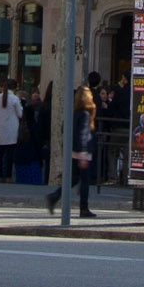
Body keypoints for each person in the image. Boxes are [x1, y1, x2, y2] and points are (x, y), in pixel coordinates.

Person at [47, 85, 98, 218]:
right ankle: (84, 207)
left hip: (73, 150)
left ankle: (55, 196)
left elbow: (65, 129)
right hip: (83, 152)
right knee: (84, 180)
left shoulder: (74, 113)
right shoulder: (86, 115)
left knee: (73, 179)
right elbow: (83, 134)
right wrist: (83, 153)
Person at [0, 78, 23, 179]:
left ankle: (0, 175)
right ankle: (8, 176)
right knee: (10, 154)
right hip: (12, 128)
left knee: (0, 153)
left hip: (0, 128)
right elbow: (20, 114)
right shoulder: (15, 99)